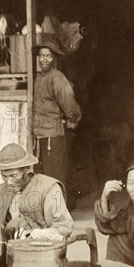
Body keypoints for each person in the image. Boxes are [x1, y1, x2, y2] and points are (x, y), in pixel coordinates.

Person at [32, 33, 82, 205]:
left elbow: (69, 101)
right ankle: (48, 213)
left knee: (56, 177)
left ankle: (60, 214)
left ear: (53, 58)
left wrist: (73, 119)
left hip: (54, 135)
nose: (44, 59)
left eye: (48, 56)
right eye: (42, 55)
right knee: (42, 177)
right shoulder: (38, 78)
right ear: (38, 57)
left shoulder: (57, 77)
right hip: (40, 136)